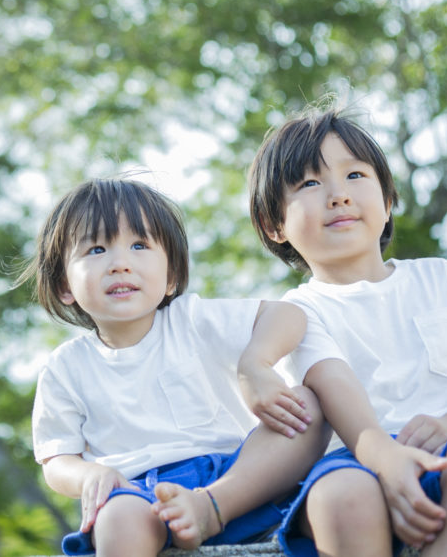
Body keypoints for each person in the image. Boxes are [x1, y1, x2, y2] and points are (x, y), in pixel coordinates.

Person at [247, 105, 447, 557]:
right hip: (354, 460)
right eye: (310, 184)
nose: (338, 195)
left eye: (355, 176)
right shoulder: (299, 310)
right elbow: (335, 392)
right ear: (274, 225)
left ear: (388, 199)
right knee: (340, 497)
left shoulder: (441, 279)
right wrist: (385, 459)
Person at [20, 177, 329, 556]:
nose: (120, 264)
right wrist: (92, 475)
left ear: (170, 277)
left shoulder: (191, 319)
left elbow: (287, 315)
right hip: (139, 494)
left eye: (138, 245)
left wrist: (255, 363)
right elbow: (56, 459)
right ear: (65, 286)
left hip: (239, 478)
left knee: (308, 405)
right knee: (116, 517)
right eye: (96, 249)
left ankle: (213, 509)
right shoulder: (65, 367)